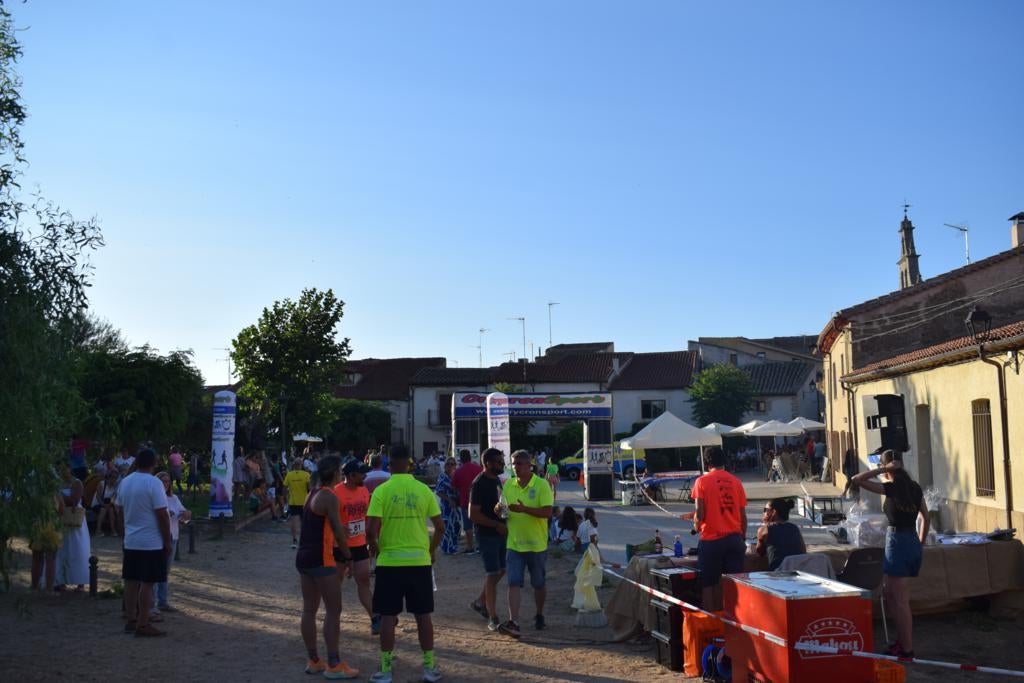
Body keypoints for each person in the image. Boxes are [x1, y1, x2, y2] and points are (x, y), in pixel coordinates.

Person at [366, 445, 443, 683]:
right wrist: (430, 551)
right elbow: (439, 527)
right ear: (410, 464)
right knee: (423, 616)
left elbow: (369, 531)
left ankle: (386, 670)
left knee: (388, 616)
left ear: (390, 464)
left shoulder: (382, 490)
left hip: (389, 562)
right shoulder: (423, 490)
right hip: (419, 561)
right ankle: (429, 668)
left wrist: (379, 550)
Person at [851, 450, 928, 658]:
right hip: (910, 539)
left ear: (889, 469)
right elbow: (926, 518)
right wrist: (919, 543)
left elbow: (856, 479)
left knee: (900, 599)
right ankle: (902, 642)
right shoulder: (914, 488)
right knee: (890, 594)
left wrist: (885, 468)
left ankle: (908, 649)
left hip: (898, 541)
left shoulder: (891, 488)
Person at [295, 454, 359, 679]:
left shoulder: (311, 493)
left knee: (309, 610)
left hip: (304, 558)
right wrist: (349, 557)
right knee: (333, 610)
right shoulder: (329, 496)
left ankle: (314, 660)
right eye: (340, 472)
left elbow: (318, 523)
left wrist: (337, 528)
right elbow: (340, 536)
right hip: (322, 559)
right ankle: (334, 664)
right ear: (335, 474)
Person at [116, 448, 173, 637]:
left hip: (131, 539)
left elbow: (119, 511)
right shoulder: (154, 483)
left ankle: (131, 619)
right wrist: (167, 540)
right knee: (147, 583)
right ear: (154, 463)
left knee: (131, 581)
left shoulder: (125, 482)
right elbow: (162, 515)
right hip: (151, 541)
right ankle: (143, 622)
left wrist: (124, 534)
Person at [498, 449, 554, 638]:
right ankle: (514, 622)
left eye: (520, 464)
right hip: (514, 544)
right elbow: (504, 511)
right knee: (513, 582)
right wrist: (498, 509)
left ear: (529, 465)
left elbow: (547, 513)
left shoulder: (541, 485)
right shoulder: (508, 486)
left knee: (538, 584)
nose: (516, 468)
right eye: (513, 464)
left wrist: (525, 509)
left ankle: (539, 614)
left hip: (536, 545)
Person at [690, 446, 748, 611]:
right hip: (735, 540)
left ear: (707, 463)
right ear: (724, 461)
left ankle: (711, 625)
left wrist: (695, 523)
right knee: (732, 586)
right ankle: (732, 624)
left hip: (712, 541)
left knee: (708, 585)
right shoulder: (736, 482)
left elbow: (700, 515)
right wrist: (741, 537)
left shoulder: (701, 481)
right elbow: (743, 517)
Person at [333, 459, 376, 634]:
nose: (364, 476)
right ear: (351, 476)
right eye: (361, 474)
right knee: (336, 584)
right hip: (338, 546)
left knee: (364, 581)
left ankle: (375, 619)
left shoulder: (364, 491)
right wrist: (337, 527)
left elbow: (367, 515)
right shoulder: (336, 493)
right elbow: (327, 519)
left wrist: (369, 534)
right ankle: (333, 619)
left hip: (359, 545)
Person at [468, 447, 508, 632]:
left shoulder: (498, 480)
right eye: (499, 462)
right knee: (492, 574)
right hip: (487, 535)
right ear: (488, 463)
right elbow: (473, 515)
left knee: (501, 570)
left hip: (501, 533)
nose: (502, 464)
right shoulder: (479, 483)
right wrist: (495, 524)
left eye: (502, 461)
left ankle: (480, 601)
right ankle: (493, 617)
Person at [153, 471, 190, 613]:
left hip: (173, 537)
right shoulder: (154, 498)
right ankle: (154, 602)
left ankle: (163, 601)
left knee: (165, 571)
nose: (165, 484)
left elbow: (184, 515)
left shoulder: (173, 498)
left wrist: (187, 514)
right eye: (163, 481)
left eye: (168, 481)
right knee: (156, 570)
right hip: (158, 537)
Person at [55, 472, 90, 590]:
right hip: (61, 519)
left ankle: (80, 581)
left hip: (75, 519)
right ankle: (60, 580)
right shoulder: (57, 482)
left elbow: (74, 500)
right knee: (62, 550)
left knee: (77, 550)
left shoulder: (77, 483)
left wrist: (59, 497)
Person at [755, 498, 805, 570]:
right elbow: (803, 551)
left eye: (765, 510)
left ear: (774, 512)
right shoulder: (794, 528)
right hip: (798, 572)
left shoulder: (764, 529)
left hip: (778, 574)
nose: (763, 513)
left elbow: (760, 553)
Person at [30, 492, 64, 592]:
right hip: (52, 526)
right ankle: (49, 589)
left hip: (37, 525)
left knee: (36, 559)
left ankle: (34, 587)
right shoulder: (56, 493)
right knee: (51, 559)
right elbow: (62, 510)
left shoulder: (35, 491)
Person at [451, 450, 483, 554]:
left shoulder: (458, 471)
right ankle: (480, 546)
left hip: (465, 501)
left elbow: (453, 487)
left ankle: (470, 547)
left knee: (468, 526)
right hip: (479, 501)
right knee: (479, 524)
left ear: (460, 458)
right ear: (470, 457)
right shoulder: (478, 468)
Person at [434, 457, 462, 555]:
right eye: (448, 464)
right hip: (446, 506)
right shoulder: (442, 476)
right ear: (445, 466)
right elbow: (438, 491)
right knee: (447, 527)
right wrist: (448, 499)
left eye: (452, 464)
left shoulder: (456, 476)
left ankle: (453, 546)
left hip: (456, 505)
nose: (450, 466)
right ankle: (447, 548)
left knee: (456, 526)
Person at [284, 457, 311, 549]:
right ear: (301, 465)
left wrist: (285, 498)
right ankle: (304, 540)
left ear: (293, 465)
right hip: (304, 501)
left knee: (294, 521)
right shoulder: (306, 475)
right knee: (305, 522)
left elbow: (285, 487)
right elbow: (310, 488)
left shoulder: (289, 475)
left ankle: (294, 540)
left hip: (293, 501)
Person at [92, 470, 121, 536]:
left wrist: (109, 505)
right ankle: (98, 530)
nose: (114, 479)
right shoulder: (101, 484)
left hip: (108, 504)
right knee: (103, 509)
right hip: (97, 504)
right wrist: (104, 505)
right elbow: (98, 497)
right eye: (113, 477)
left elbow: (113, 498)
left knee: (111, 509)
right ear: (109, 477)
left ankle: (113, 530)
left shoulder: (115, 487)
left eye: (116, 477)